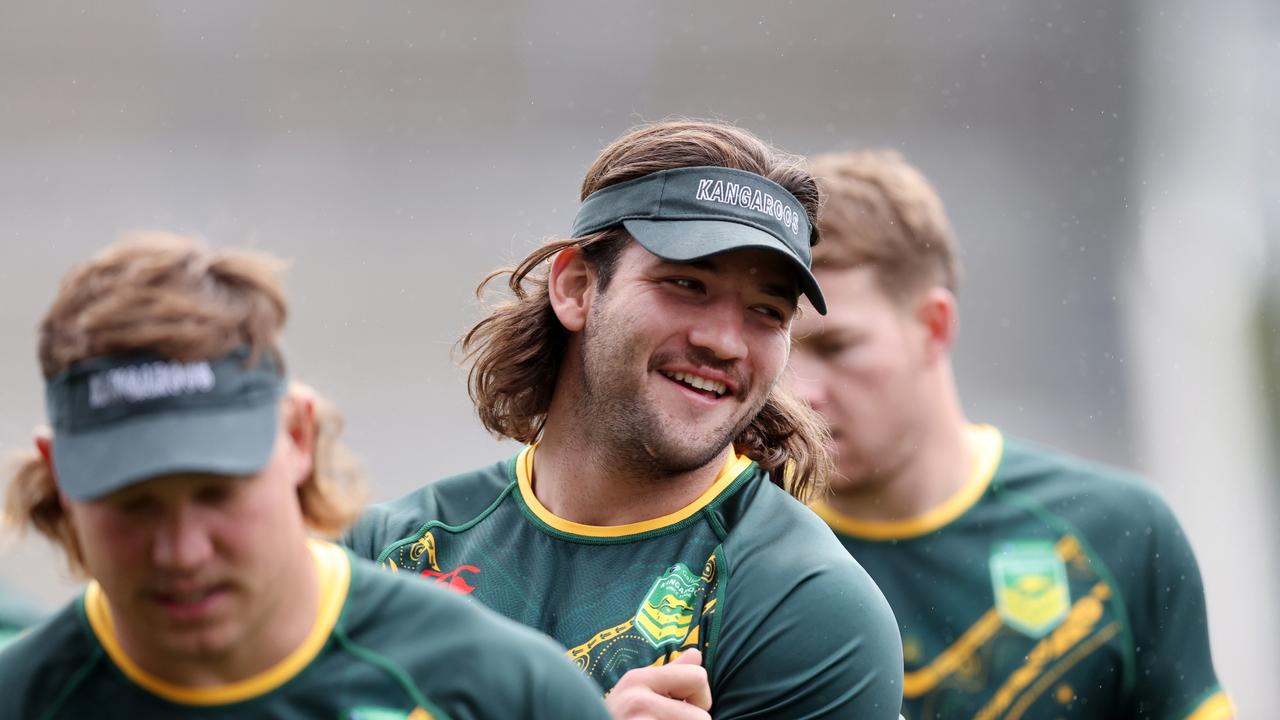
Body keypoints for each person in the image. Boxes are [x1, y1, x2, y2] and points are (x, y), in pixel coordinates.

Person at [345, 120, 904, 719]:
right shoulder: (388, 553)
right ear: (577, 287)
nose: (724, 342)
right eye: (687, 283)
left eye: (766, 311)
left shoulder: (805, 604)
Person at [0, 233, 612, 720]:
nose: (182, 552)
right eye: (133, 505)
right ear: (59, 476)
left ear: (297, 436)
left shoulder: (506, 692)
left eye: (218, 492)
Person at [788, 149, 1234, 719]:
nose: (798, 392)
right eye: (782, 346)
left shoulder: (1118, 531)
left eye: (836, 347)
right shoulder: (736, 549)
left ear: (934, 327)